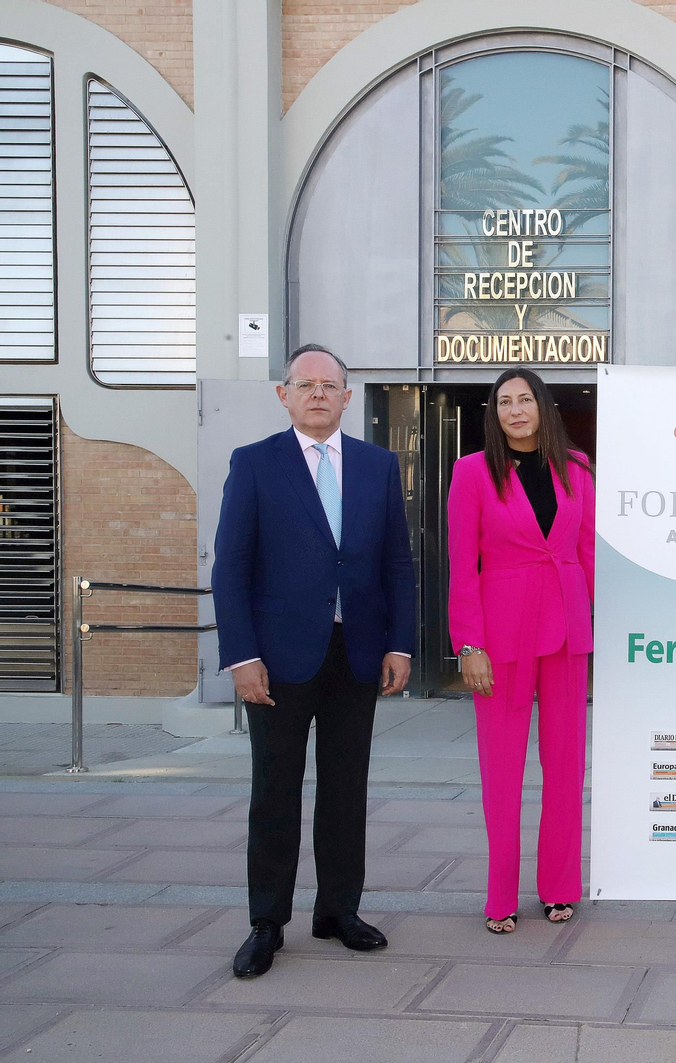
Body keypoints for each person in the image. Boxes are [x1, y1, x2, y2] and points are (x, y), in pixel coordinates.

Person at [213, 344, 416, 978]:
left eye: (331, 385)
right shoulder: (254, 465)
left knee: (345, 789)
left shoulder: (377, 466)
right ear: (285, 394)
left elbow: (396, 565)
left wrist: (400, 643)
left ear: (348, 397)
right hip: (277, 659)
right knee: (274, 791)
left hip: (355, 653)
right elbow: (232, 569)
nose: (319, 394)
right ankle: (266, 922)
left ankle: (337, 911)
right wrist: (241, 656)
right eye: (307, 384)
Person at [447, 367, 595, 933]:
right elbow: (463, 566)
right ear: (494, 413)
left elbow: (586, 554)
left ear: (543, 407)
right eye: (503, 401)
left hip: (564, 635)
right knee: (502, 769)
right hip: (500, 639)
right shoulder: (472, 471)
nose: (514, 409)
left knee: (564, 767)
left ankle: (559, 886)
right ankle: (500, 896)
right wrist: (469, 643)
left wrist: (590, 625)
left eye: (524, 399)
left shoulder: (576, 468)